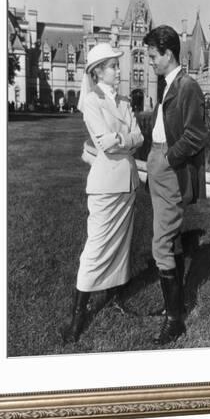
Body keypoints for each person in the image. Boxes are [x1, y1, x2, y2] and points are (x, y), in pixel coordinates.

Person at [61, 43, 144, 343]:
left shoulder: (123, 101)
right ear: (97, 72)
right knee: (95, 250)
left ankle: (114, 297)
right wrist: (126, 139)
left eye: (116, 65)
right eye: (111, 66)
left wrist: (123, 138)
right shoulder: (92, 102)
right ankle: (78, 315)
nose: (117, 70)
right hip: (105, 186)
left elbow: (140, 136)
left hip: (127, 184)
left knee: (121, 248)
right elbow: (107, 143)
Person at [143, 25, 208, 345]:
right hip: (158, 163)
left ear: (168, 54)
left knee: (160, 244)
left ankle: (174, 321)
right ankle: (175, 306)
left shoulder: (187, 86)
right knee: (170, 240)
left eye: (153, 56)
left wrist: (168, 158)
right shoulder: (168, 84)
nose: (150, 61)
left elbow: (197, 135)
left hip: (169, 166)